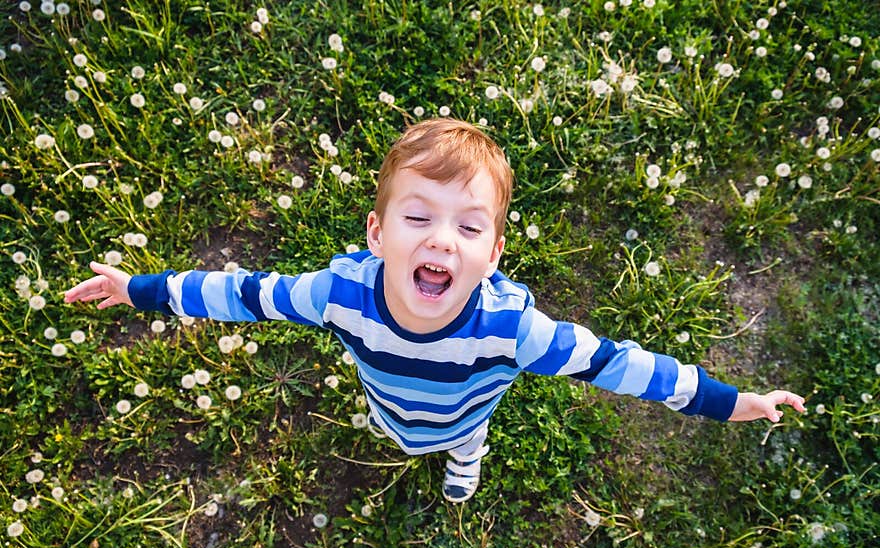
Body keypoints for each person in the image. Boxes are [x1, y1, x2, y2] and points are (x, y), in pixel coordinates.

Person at [64, 118, 806, 503]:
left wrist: (727, 401)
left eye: (470, 227)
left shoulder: (515, 330)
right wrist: (142, 288)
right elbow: (242, 293)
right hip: (388, 403)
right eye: (418, 218)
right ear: (377, 234)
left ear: (494, 254)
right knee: (396, 427)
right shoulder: (337, 295)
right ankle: (414, 440)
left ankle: (462, 464)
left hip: (466, 413)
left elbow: (621, 365)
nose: (442, 240)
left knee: (462, 441)